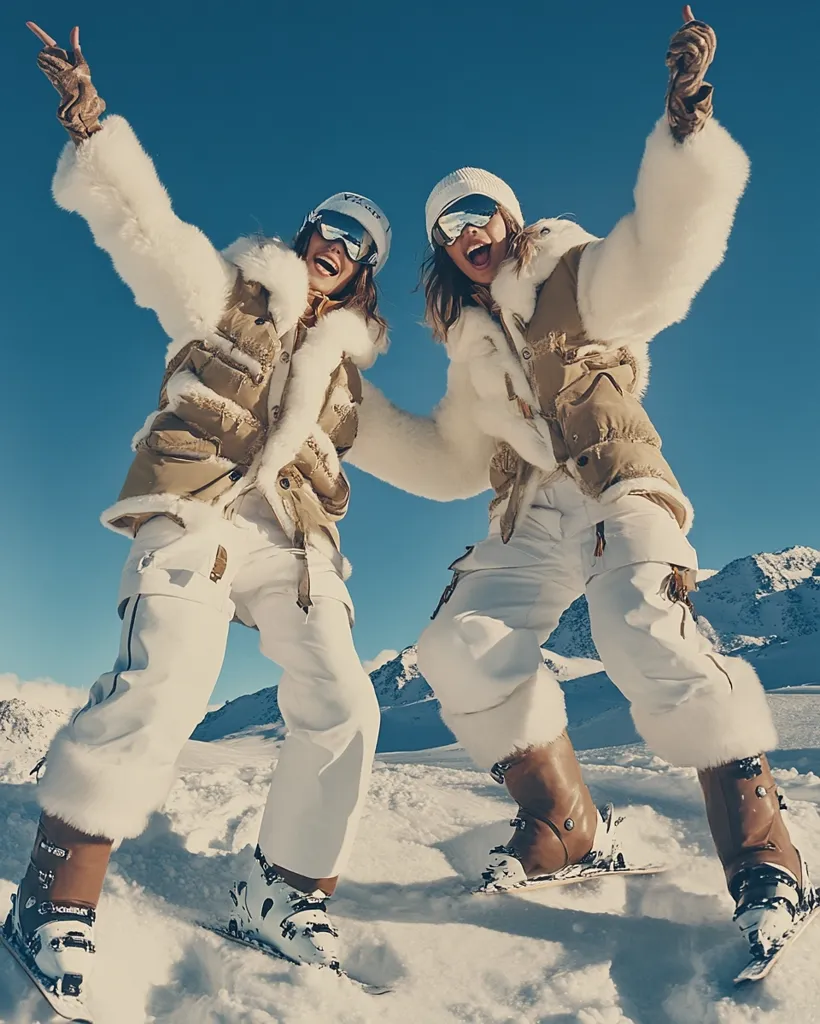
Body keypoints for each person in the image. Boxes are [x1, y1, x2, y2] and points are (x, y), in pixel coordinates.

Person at [348, 7, 814, 958]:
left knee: (643, 625)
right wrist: (338, 410)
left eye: (477, 211)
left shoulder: (572, 271)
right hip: (527, 512)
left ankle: (767, 857)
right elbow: (444, 461)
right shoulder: (471, 351)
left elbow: (664, 261)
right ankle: (567, 825)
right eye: (447, 228)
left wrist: (686, 131)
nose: (465, 231)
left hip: (615, 486)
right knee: (457, 644)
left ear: (509, 216)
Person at [10, 21, 392, 1002]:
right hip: (198, 508)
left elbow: (441, 456)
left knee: (346, 700)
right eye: (325, 227)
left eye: (354, 244)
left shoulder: (348, 385)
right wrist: (91, 125)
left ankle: (281, 890)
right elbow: (147, 225)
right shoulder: (223, 296)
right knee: (171, 676)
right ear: (302, 237)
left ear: (362, 275)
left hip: (292, 541)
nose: (331, 245)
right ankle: (55, 892)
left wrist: (515, 422)